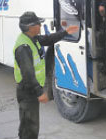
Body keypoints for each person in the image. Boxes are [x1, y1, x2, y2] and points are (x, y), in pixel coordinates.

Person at [13, 11, 78, 139]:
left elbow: (48, 39)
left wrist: (65, 32)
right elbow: (28, 74)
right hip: (27, 91)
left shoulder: (32, 39)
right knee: (29, 126)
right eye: (39, 24)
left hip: (29, 90)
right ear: (31, 27)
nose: (41, 26)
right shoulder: (23, 47)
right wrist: (39, 92)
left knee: (30, 124)